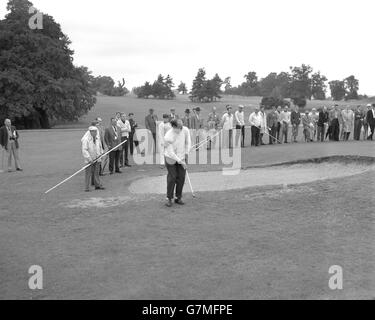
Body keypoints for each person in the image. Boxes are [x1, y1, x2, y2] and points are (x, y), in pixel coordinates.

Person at [164, 119, 191, 207]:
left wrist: (187, 153)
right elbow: (171, 152)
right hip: (170, 158)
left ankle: (178, 197)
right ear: (174, 127)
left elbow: (188, 143)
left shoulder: (185, 130)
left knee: (181, 177)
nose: (181, 128)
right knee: (172, 177)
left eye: (181, 127)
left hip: (182, 156)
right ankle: (169, 198)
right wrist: (180, 161)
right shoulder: (168, 136)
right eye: (179, 127)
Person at [81, 126, 105, 192]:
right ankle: (87, 188)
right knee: (88, 173)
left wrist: (101, 153)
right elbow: (84, 150)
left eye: (96, 131)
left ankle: (97, 185)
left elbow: (100, 146)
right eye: (94, 131)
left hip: (97, 158)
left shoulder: (97, 138)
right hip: (89, 160)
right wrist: (89, 159)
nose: (96, 133)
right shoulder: (86, 139)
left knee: (96, 173)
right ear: (90, 132)